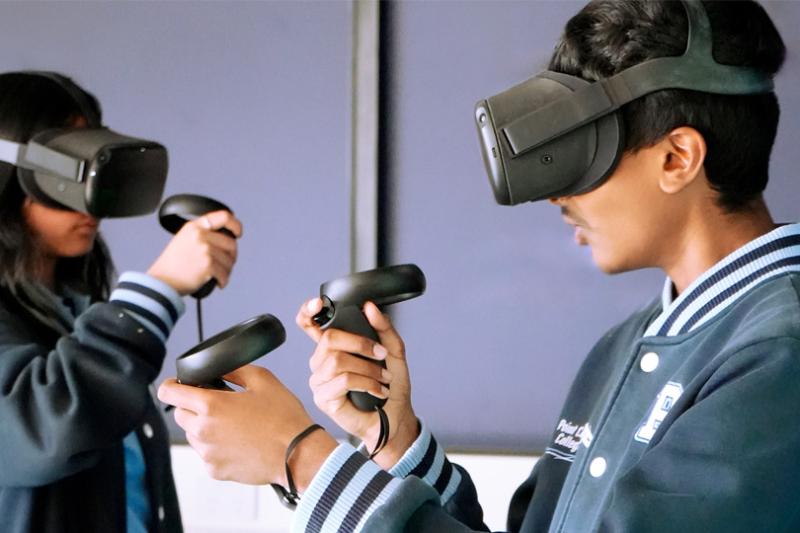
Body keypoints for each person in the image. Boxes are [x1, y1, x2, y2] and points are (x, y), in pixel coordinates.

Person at [158, 1, 800, 531]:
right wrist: (393, 440)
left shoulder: (779, 359)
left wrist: (301, 459)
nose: (557, 196)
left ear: (677, 158)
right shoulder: (625, 348)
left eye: (583, 155)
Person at [0, 71, 243, 533]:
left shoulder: (79, 318)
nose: (86, 201)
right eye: (58, 173)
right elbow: (42, 428)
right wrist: (161, 286)